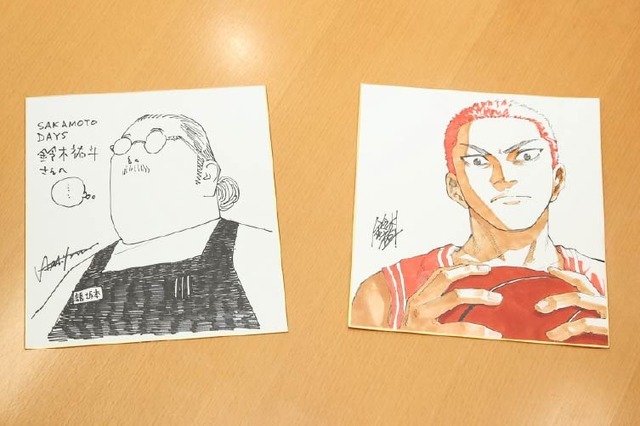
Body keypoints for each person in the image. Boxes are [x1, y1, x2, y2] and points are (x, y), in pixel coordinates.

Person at [350, 100, 608, 343]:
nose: (504, 177)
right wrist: (408, 344)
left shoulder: (606, 285)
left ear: (557, 179)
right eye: (478, 161)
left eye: (526, 156)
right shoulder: (386, 293)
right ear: (455, 189)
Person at [32, 114, 281, 342]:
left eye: (154, 140)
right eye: (123, 145)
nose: (131, 153)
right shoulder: (84, 269)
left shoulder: (248, 247)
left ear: (207, 175)